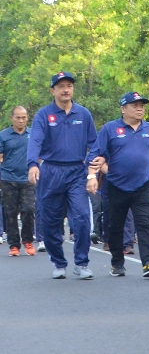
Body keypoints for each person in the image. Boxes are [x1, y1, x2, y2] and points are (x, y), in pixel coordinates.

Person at [27, 72, 98, 279]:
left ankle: (82, 262)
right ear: (53, 91)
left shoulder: (83, 114)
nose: (66, 89)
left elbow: (94, 144)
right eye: (61, 86)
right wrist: (33, 164)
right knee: (49, 221)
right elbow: (35, 141)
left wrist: (93, 168)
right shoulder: (43, 115)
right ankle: (58, 262)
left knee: (83, 217)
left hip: (77, 171)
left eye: (69, 85)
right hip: (50, 171)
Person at [87, 92, 149, 278]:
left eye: (142, 105)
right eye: (134, 105)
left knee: (145, 223)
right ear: (123, 109)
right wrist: (92, 175)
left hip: (143, 185)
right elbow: (96, 153)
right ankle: (117, 263)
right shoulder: (110, 129)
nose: (140, 108)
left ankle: (148, 263)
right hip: (116, 186)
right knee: (115, 226)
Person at [0, 106, 36, 256]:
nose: (21, 120)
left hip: (28, 178)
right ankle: (14, 245)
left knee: (28, 210)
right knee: (10, 212)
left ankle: (27, 240)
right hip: (8, 179)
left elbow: (40, 154)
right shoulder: (3, 135)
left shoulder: (33, 134)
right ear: (12, 118)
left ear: (27, 118)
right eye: (18, 118)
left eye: (24, 117)